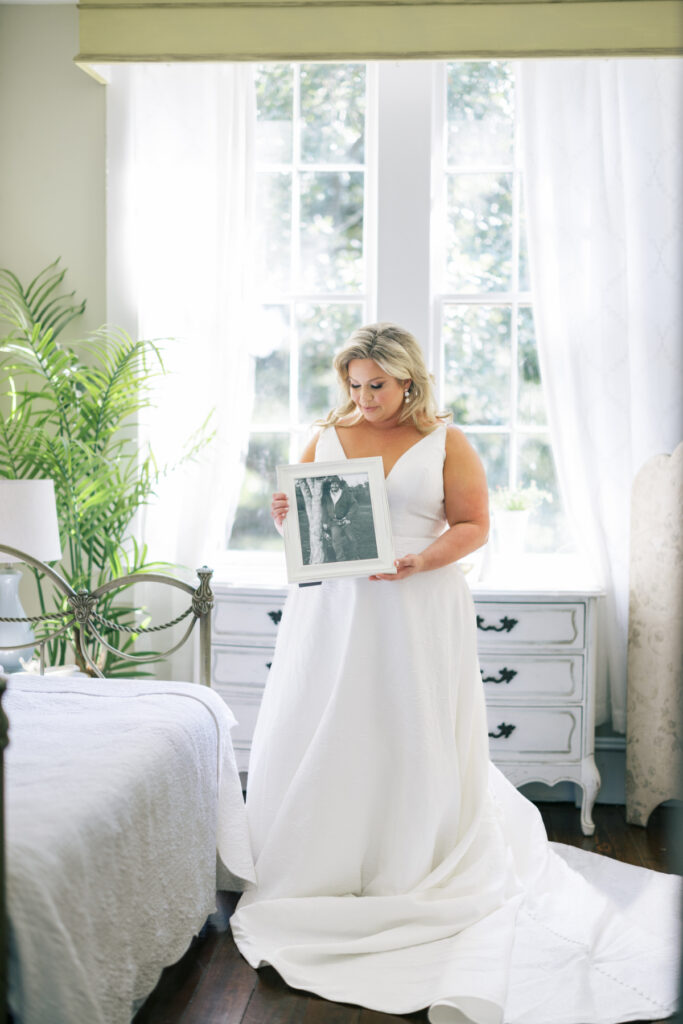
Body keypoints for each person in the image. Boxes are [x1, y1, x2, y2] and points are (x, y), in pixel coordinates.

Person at [230, 323, 680, 1024]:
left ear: (407, 380)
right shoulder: (321, 436)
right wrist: (286, 515)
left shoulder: (444, 439)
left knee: (408, 726)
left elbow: (472, 524)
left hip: (413, 603)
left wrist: (415, 562)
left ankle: (413, 856)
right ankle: (322, 859)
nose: (363, 397)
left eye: (375, 384)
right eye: (353, 385)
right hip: (336, 609)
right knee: (334, 724)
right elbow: (310, 527)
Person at [321, 476, 361, 561]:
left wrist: (348, 517)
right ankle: (341, 559)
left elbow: (354, 505)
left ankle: (353, 556)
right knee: (336, 541)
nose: (334, 486)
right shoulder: (327, 496)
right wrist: (324, 521)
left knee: (352, 539)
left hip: (345, 521)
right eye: (332, 484)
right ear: (330, 485)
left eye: (336, 484)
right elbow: (324, 509)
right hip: (333, 522)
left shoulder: (346, 494)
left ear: (339, 484)